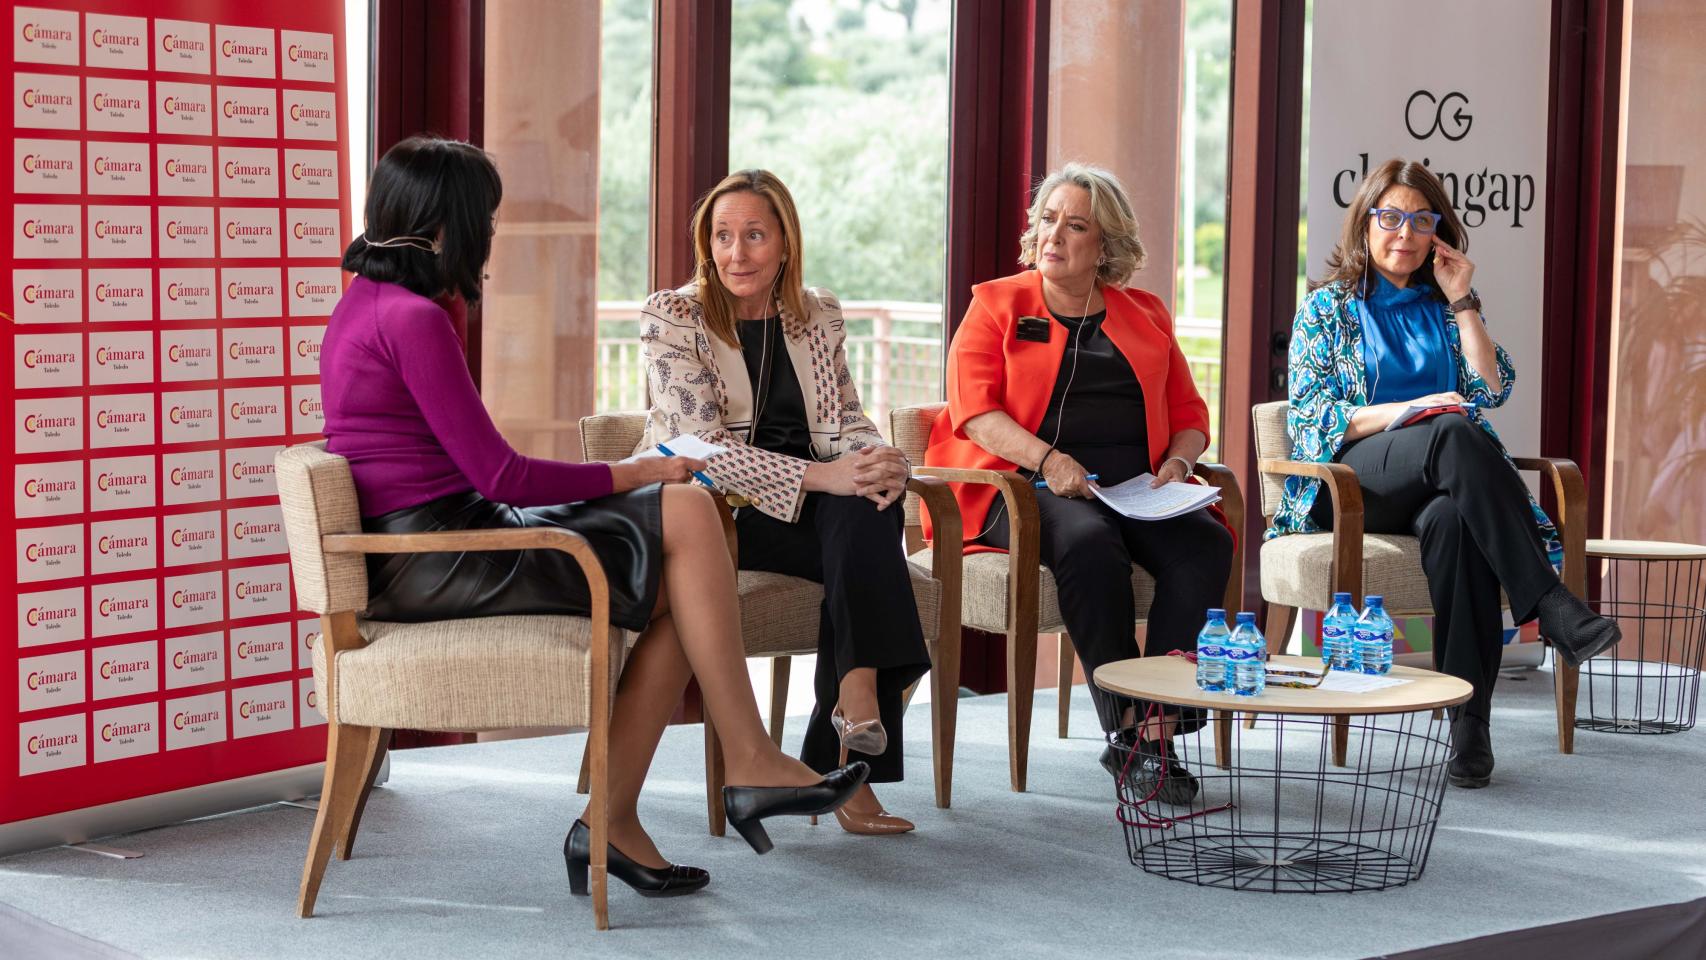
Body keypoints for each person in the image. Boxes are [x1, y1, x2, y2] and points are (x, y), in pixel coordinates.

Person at [320, 137, 869, 903]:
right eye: (488, 218)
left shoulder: (369, 301)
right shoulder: (414, 319)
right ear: (451, 223)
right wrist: (635, 471)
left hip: (440, 539)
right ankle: (744, 763)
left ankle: (619, 819)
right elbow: (501, 475)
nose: (491, 235)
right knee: (684, 512)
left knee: (683, 574)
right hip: (442, 554)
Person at [1271, 157, 1622, 788]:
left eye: (1421, 220)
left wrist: (1462, 301)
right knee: (1453, 430)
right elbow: (1312, 418)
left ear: (1439, 231)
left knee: (1457, 522)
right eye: (1390, 218)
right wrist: (1410, 412)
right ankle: (1549, 601)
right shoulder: (1326, 308)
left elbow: (1493, 386)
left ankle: (1470, 730)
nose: (1404, 233)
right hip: (1354, 481)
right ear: (1365, 222)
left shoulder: (1442, 308)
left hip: (1439, 484)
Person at [924, 163, 1233, 805]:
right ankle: (1127, 728)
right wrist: (1050, 462)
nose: (1054, 235)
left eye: (1075, 225)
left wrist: (1179, 465)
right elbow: (975, 413)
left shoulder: (1144, 313)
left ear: (1106, 244)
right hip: (1023, 485)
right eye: (1047, 220)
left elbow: (1189, 414)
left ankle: (1156, 729)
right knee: (1091, 543)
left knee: (1206, 543)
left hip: (1136, 487)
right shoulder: (997, 305)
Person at [642, 169, 931, 836]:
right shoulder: (676, 316)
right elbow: (700, 447)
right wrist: (826, 478)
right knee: (862, 525)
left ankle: (853, 709)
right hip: (717, 516)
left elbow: (847, 419)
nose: (736, 253)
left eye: (754, 235)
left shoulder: (815, 313)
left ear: (785, 244)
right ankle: (852, 745)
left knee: (870, 503)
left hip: (816, 511)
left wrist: (882, 458)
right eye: (722, 237)